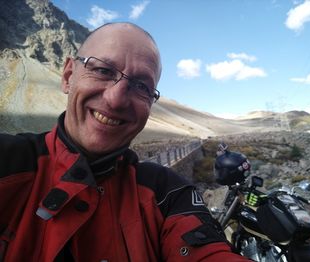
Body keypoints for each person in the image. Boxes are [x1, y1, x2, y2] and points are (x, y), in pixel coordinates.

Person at [0, 22, 249, 261]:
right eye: (102, 70)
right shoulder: (10, 162)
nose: (116, 99)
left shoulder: (166, 192)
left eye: (141, 85)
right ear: (67, 76)